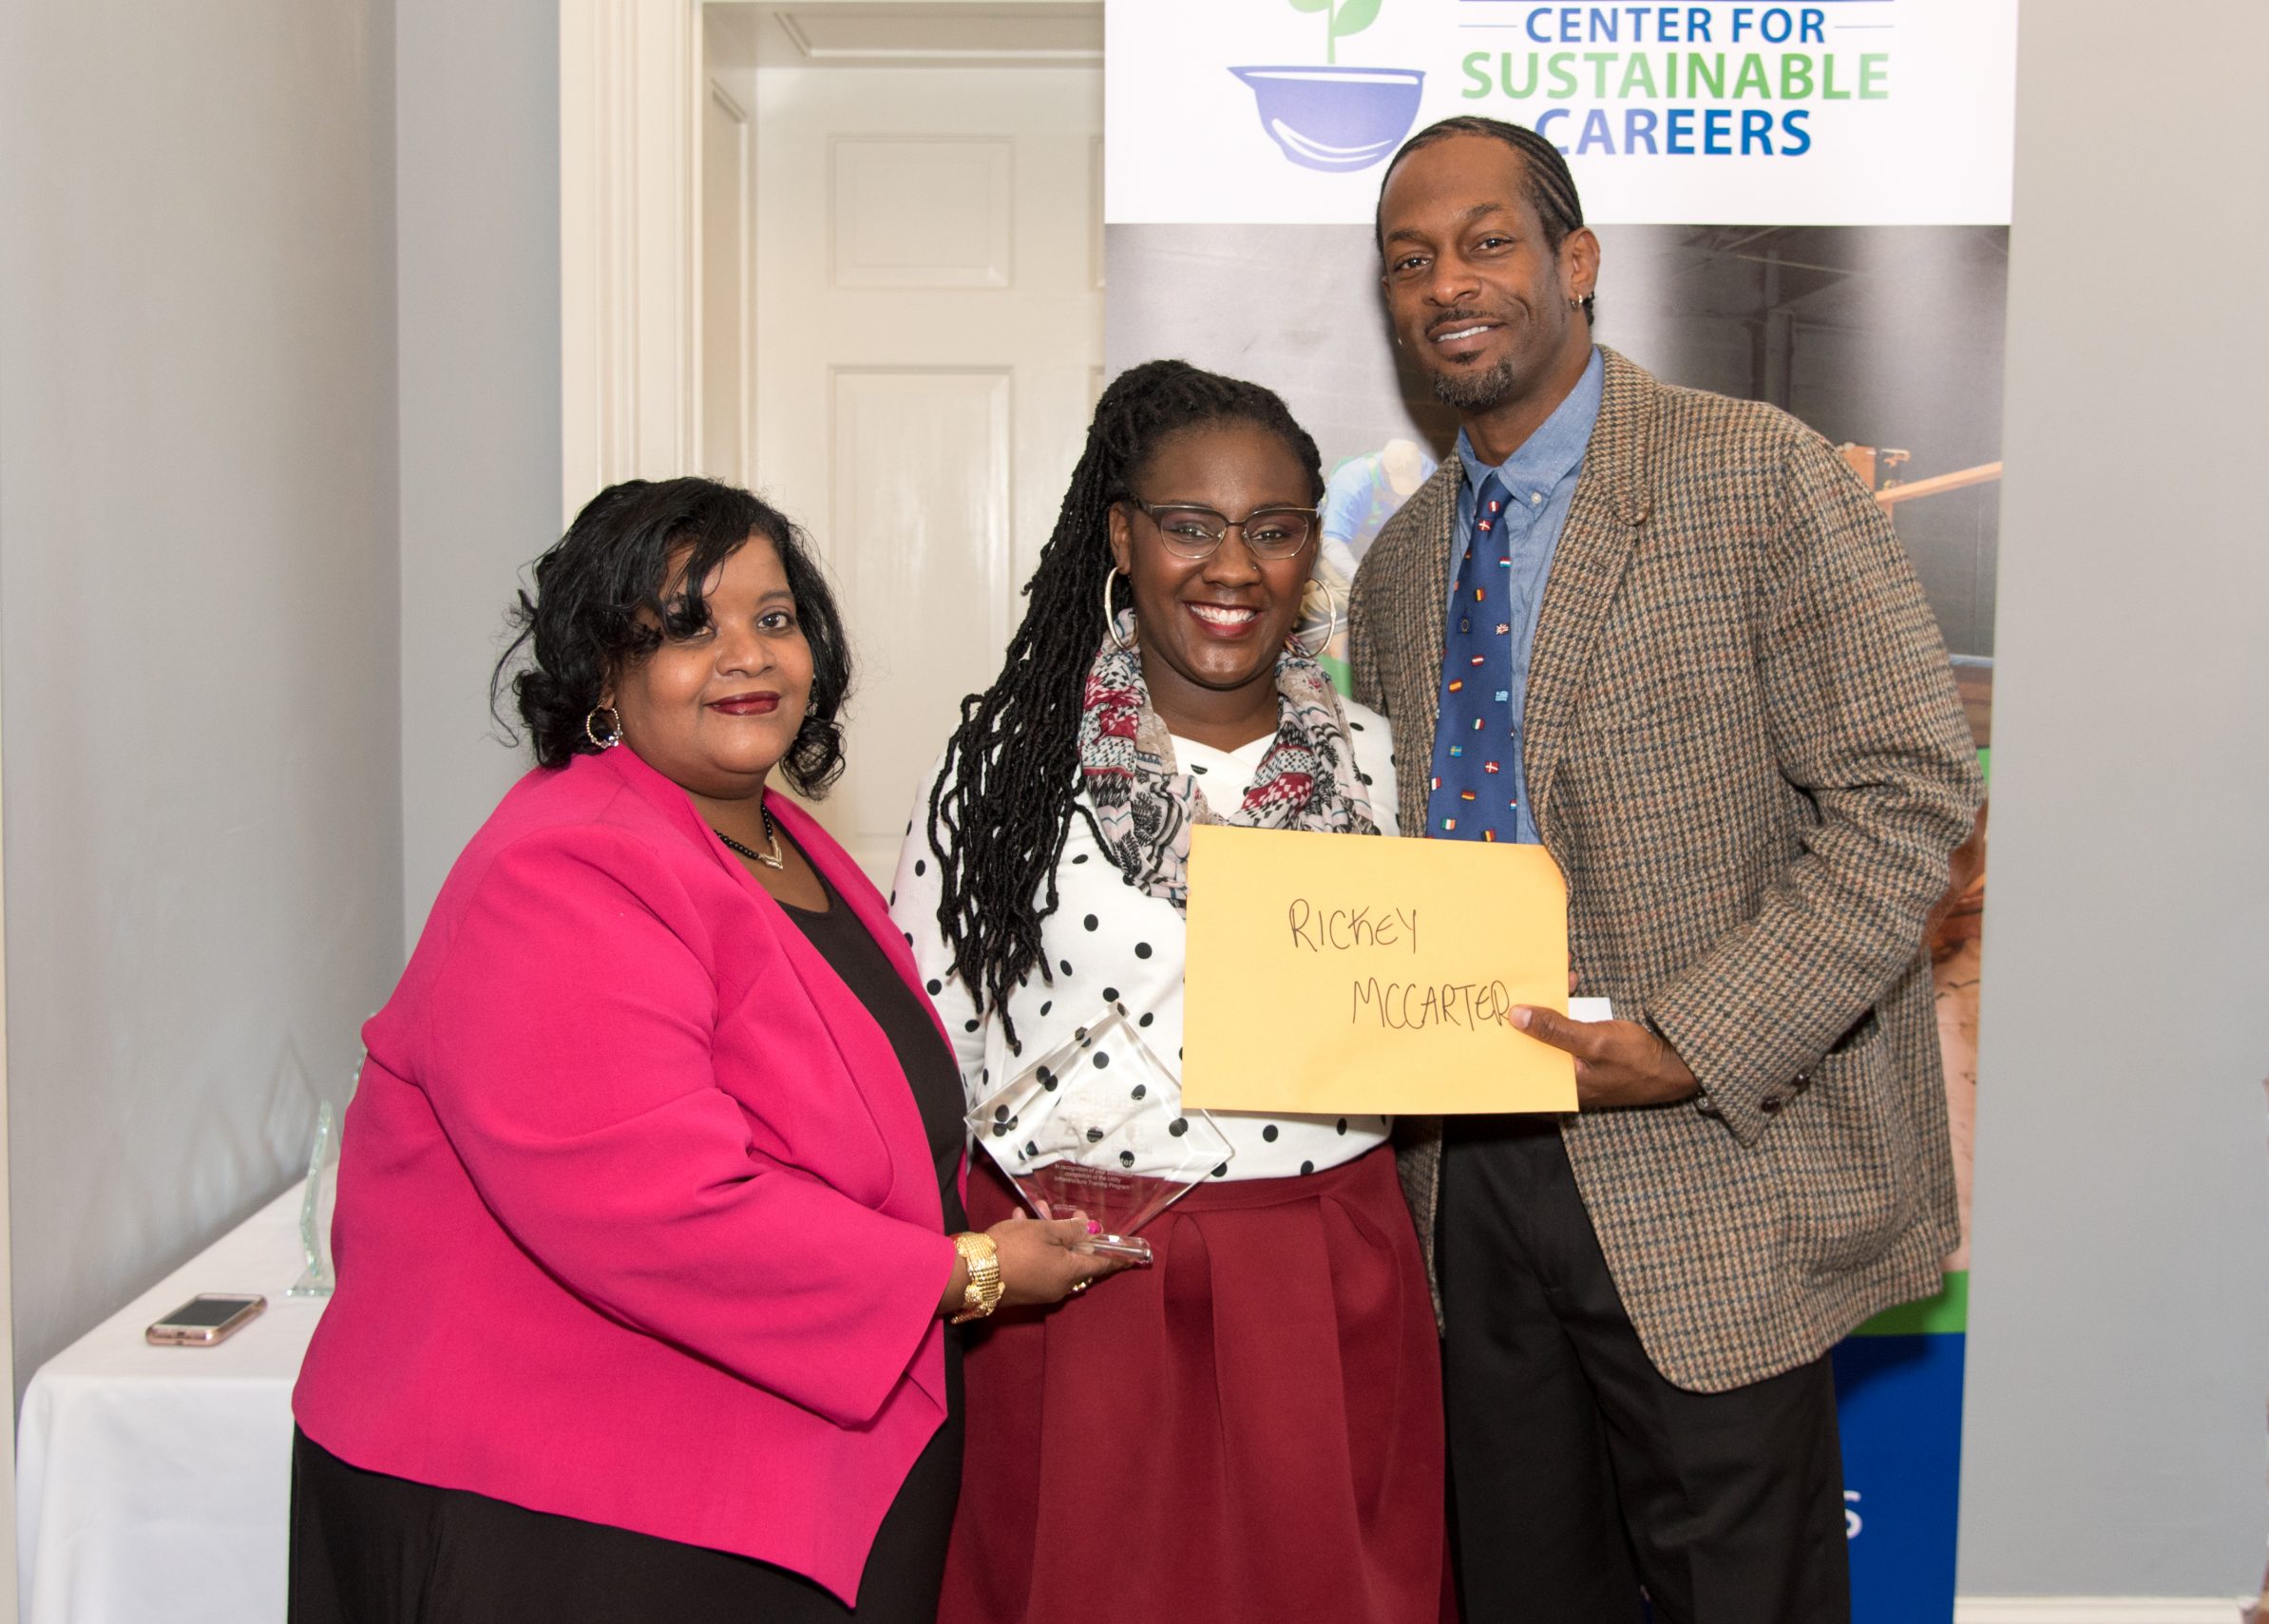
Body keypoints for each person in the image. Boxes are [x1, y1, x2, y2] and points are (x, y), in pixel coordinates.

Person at [1351, 117, 1984, 1623]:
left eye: (1489, 240)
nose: (1451, 279)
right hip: (1467, 1183)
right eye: (1411, 256)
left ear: (1575, 263)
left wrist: (1691, 1043)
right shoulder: (1396, 563)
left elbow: (1909, 798)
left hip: (1709, 1165)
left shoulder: (1754, 474)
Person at [289, 478, 1115, 1624]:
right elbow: (662, 1208)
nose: (746, 654)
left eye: (772, 618)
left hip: (741, 1468)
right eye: (686, 626)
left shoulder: (776, 839)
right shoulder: (564, 869)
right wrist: (963, 1271)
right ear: (602, 674)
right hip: (564, 1511)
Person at [891, 361, 1445, 1624]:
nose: (1232, 566)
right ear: (1124, 536)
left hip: (1324, 1278)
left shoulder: (1379, 763)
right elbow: (920, 1042)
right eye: (1192, 524)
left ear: (1312, 552)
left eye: (1272, 529)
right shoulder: (1002, 764)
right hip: (1075, 1287)